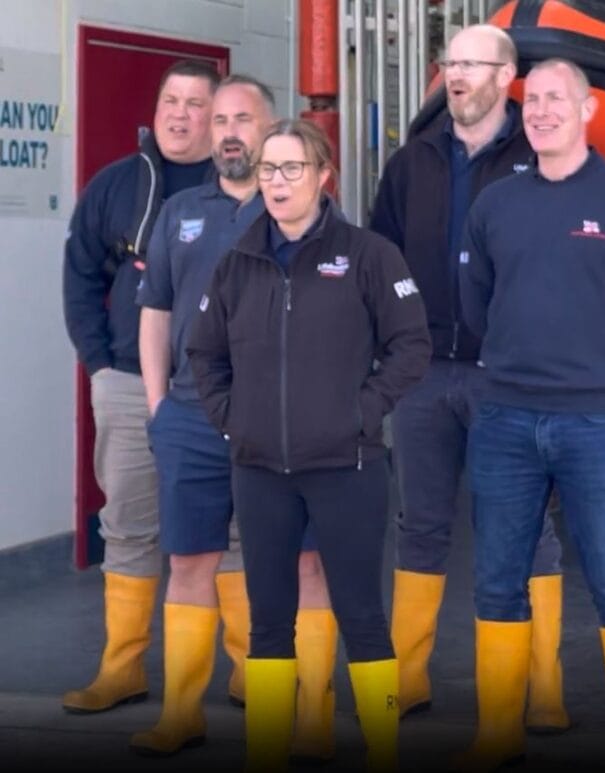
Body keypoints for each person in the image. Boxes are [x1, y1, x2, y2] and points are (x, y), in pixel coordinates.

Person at [456, 59, 605, 771]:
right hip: (505, 416)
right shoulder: (495, 203)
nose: (543, 111)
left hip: (597, 420)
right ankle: (499, 733)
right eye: (534, 101)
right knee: (497, 576)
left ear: (589, 111)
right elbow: (476, 301)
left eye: (559, 100)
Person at [188, 118, 431, 772]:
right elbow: (203, 353)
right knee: (269, 622)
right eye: (269, 168)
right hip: (260, 470)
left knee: (362, 617)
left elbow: (412, 344)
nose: (278, 181)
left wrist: (363, 411)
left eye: (292, 168)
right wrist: (234, 420)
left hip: (347, 467)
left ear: (324, 175)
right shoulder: (237, 261)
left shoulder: (369, 255)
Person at [130, 75, 337, 761]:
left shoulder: (308, 212)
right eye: (219, 120)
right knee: (190, 562)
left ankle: (311, 716)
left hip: (285, 422)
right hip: (191, 419)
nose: (227, 132)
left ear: (274, 129)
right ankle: (182, 712)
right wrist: (159, 405)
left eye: (243, 119)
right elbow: (154, 310)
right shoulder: (179, 212)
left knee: (306, 565)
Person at [370, 23, 569, 730]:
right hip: (424, 375)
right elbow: (379, 261)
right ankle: (408, 679)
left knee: (524, 527)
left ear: (506, 76)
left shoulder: (544, 156)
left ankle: (542, 688)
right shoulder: (412, 161)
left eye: (471, 64)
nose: (455, 75)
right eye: (449, 63)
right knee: (418, 525)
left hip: (509, 378)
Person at [61, 59, 241, 716]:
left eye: (198, 104)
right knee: (130, 526)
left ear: (216, 117)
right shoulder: (116, 186)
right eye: (172, 99)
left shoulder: (243, 189)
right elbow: (80, 274)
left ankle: (249, 670)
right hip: (130, 383)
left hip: (224, 394)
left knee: (237, 532)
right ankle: (122, 668)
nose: (180, 113)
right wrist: (98, 363)